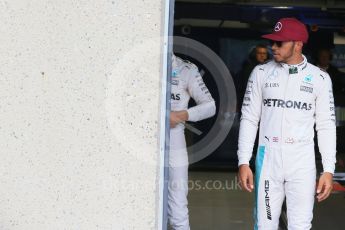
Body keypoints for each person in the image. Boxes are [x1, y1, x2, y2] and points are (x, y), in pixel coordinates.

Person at [237, 18, 336, 229]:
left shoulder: (319, 78)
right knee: (264, 225)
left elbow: (326, 125)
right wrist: (243, 161)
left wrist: (328, 169)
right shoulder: (260, 73)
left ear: (298, 44)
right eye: (273, 42)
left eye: (279, 43)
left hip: (302, 161)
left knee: (300, 225)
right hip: (268, 158)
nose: (273, 47)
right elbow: (249, 118)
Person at [169, 54, 216, 230]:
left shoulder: (186, 69)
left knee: (177, 199)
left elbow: (210, 106)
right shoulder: (141, 64)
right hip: (142, 136)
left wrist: (182, 115)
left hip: (174, 135)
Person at [238, 44, 269, 109]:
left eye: (264, 53)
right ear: (254, 54)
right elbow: (241, 88)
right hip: (249, 105)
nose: (262, 55)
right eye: (259, 53)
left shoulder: (270, 69)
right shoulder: (247, 70)